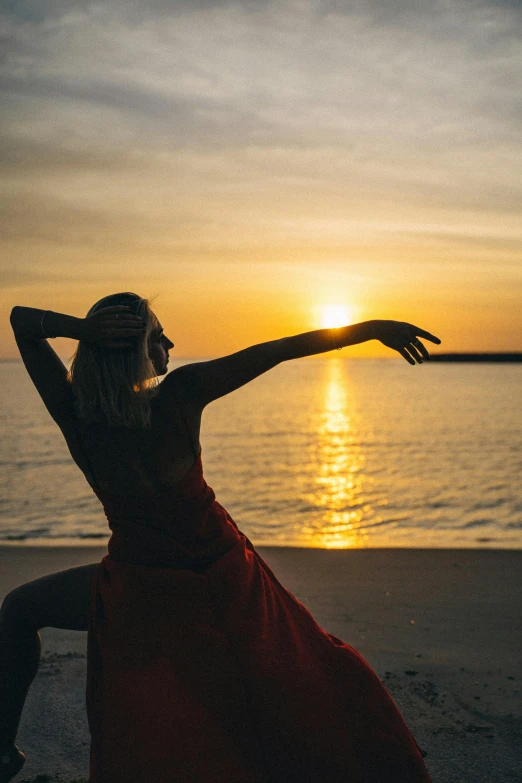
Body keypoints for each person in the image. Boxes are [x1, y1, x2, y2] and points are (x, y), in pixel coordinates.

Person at [2, 291, 440, 782]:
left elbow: (21, 320)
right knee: (310, 675)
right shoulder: (180, 395)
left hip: (143, 591)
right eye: (157, 334)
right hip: (226, 583)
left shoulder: (75, 414)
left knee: (19, 610)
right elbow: (279, 349)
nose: (169, 342)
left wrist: (84, 331)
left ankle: (2, 750)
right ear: (133, 345)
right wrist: (371, 327)